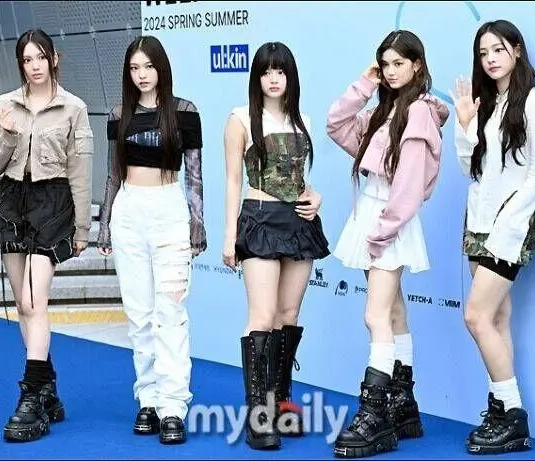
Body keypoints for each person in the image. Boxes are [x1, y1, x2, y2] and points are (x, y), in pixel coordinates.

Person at [327, 30, 449, 458]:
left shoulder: (418, 113)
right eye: (386, 64)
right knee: (393, 311)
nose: (392, 71)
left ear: (417, 65)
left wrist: (382, 231)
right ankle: (403, 404)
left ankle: (375, 411)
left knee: (375, 314)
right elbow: (336, 124)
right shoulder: (385, 109)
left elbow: (409, 186)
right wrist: (366, 82)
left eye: (399, 63)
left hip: (388, 220)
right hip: (374, 214)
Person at [0, 28, 93, 442]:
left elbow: (80, 171)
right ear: (20, 64)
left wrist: (82, 227)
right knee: (23, 306)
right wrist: (8, 135)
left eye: (40, 58)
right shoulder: (3, 105)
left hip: (52, 203)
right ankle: (47, 387)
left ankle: (30, 394)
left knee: (33, 300)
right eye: (27, 60)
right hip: (12, 202)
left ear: (54, 59)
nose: (34, 66)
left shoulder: (74, 108)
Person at [450, 19, 535, 455]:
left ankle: (513, 415)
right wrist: (464, 125)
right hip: (477, 221)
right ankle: (500, 409)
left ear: (516, 49)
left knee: (476, 316)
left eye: (497, 49)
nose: (490, 59)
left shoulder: (534, 104)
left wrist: (507, 224)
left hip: (509, 227)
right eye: (483, 53)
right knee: (496, 318)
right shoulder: (489, 104)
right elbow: (469, 169)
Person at [97, 35, 205, 445]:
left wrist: (198, 225)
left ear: (162, 68)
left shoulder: (185, 112)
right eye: (134, 68)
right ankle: (148, 398)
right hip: (128, 213)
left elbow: (194, 175)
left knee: (170, 312)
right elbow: (112, 174)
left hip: (169, 211)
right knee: (139, 314)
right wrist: (104, 223)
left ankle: (173, 405)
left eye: (148, 66)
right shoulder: (118, 114)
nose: (141, 75)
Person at [222, 41, 330, 450]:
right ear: (257, 77)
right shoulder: (239, 119)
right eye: (266, 71)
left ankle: (281, 402)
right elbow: (233, 180)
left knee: (288, 315)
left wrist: (315, 196)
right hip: (260, 220)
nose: (273, 78)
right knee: (263, 315)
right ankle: (258, 414)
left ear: (290, 77)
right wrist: (229, 235)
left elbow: (298, 178)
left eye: (280, 71)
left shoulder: (302, 118)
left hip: (299, 222)